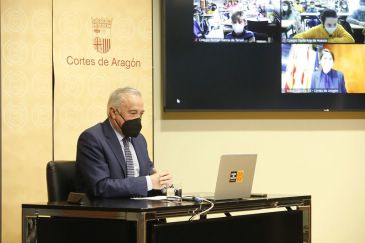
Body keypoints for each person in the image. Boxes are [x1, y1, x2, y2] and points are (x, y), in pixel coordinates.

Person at [75, 87, 173, 198]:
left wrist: (162, 183)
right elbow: (100, 187)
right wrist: (149, 182)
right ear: (113, 112)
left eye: (141, 114)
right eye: (133, 113)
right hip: (108, 212)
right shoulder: (92, 139)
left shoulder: (139, 139)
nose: (138, 119)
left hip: (140, 210)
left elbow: (149, 176)